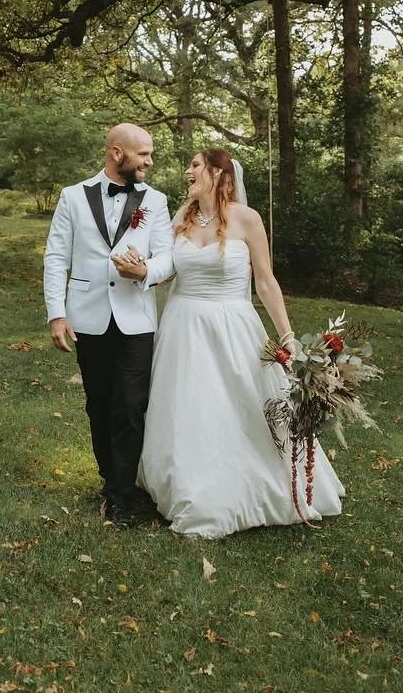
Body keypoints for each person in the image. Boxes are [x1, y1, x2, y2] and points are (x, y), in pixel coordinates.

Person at [137, 148, 344, 538]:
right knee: (190, 406)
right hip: (183, 326)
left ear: (218, 173)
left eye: (195, 165)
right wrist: (141, 269)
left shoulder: (248, 220)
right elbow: (164, 270)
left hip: (234, 325)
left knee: (243, 405)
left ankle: (254, 483)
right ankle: (188, 483)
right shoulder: (180, 218)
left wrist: (287, 337)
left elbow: (265, 281)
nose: (188, 171)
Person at [43, 123, 175, 526]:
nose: (149, 162)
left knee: (132, 406)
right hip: (88, 317)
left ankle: (121, 495)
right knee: (99, 404)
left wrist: (145, 271)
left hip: (136, 319)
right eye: (143, 155)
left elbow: (169, 256)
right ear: (117, 153)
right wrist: (57, 312)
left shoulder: (155, 201)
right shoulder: (72, 197)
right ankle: (109, 478)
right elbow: (56, 256)